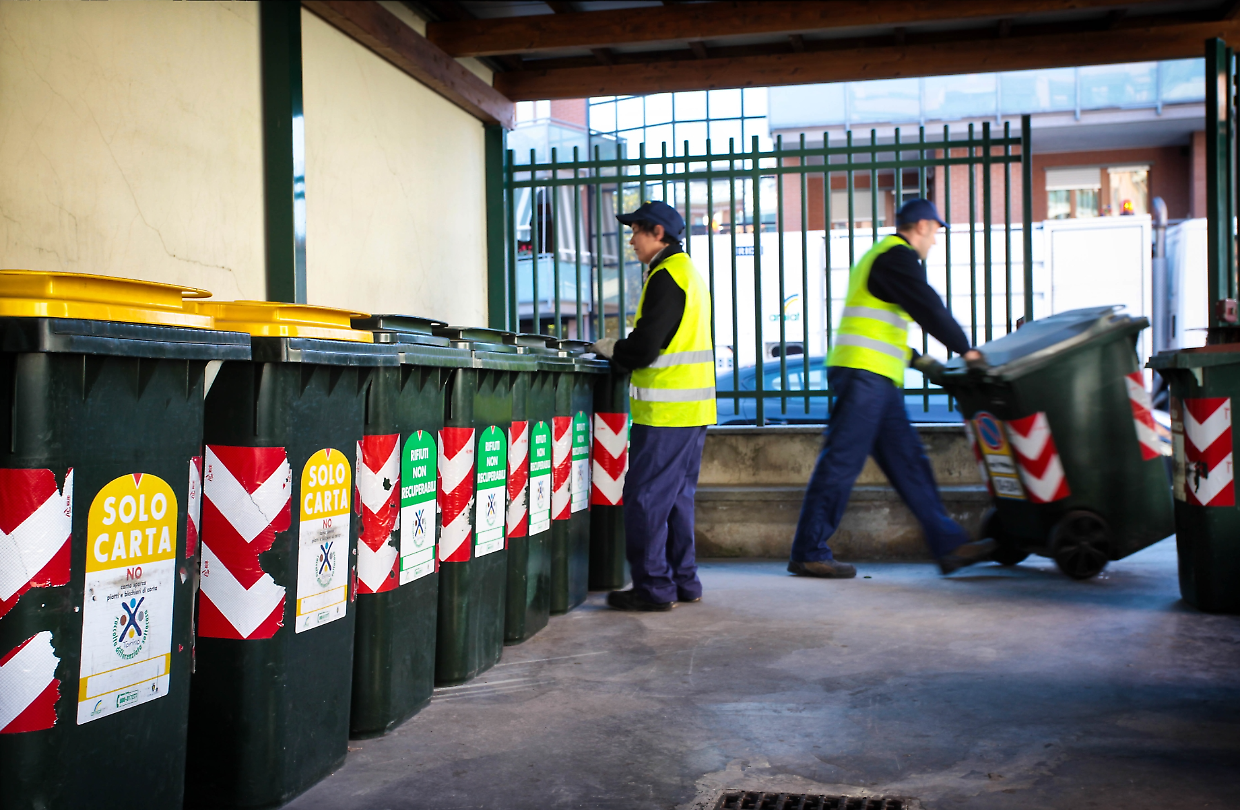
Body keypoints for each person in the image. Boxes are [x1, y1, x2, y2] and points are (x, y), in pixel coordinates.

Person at [789, 198, 996, 579]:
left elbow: (882, 323)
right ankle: (808, 551)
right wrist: (965, 349)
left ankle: (948, 545)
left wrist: (917, 359)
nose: (934, 241)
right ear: (921, 226)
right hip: (863, 375)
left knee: (909, 462)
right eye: (934, 232)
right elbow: (928, 306)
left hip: (876, 376)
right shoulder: (896, 256)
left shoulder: (884, 258)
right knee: (842, 461)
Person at [590, 201, 716, 612]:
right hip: (692, 411)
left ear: (658, 233)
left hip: (666, 414)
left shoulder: (666, 276)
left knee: (645, 498)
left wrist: (613, 349)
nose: (632, 239)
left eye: (637, 231)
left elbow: (645, 347)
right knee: (677, 499)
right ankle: (684, 581)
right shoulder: (689, 274)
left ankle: (654, 588)